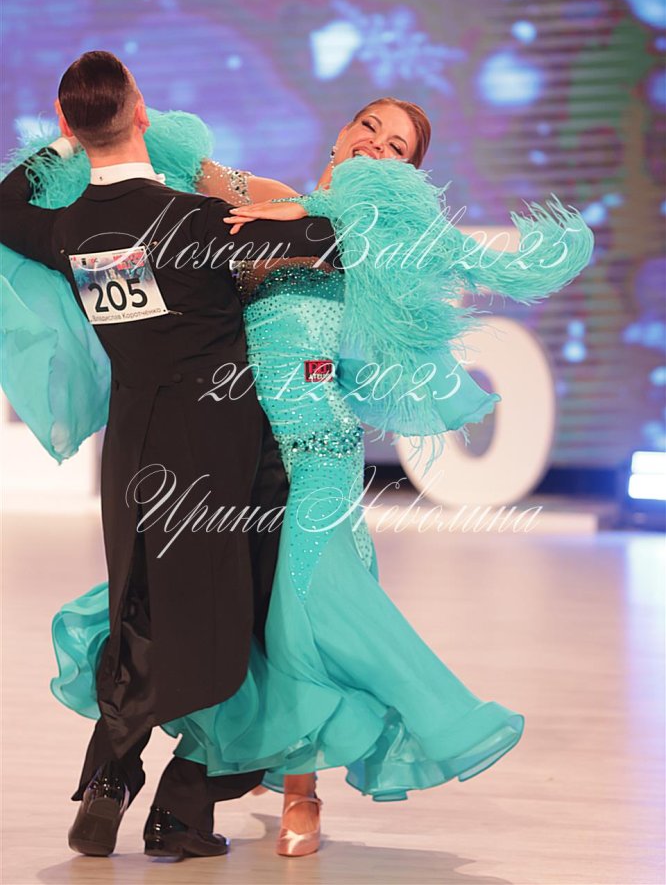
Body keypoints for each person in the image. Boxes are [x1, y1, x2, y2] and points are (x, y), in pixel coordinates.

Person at [3, 94, 594, 859]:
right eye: (369, 127)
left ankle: (284, 792)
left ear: (408, 176)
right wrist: (102, 129)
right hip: (234, 445)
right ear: (342, 133)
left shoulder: (382, 231)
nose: (375, 145)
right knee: (210, 611)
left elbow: (371, 256)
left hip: (313, 453)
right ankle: (166, 788)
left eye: (397, 147)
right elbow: (191, 169)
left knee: (298, 617)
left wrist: (316, 230)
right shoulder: (269, 198)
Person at [0, 50, 341, 860]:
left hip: (132, 445)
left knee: (140, 608)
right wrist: (266, 202)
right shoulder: (194, 219)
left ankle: (111, 778)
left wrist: (61, 146)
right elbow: (325, 240)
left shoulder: (72, 228)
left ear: (69, 121)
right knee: (230, 625)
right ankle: (181, 806)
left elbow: (6, 204)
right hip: (216, 444)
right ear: (143, 111)